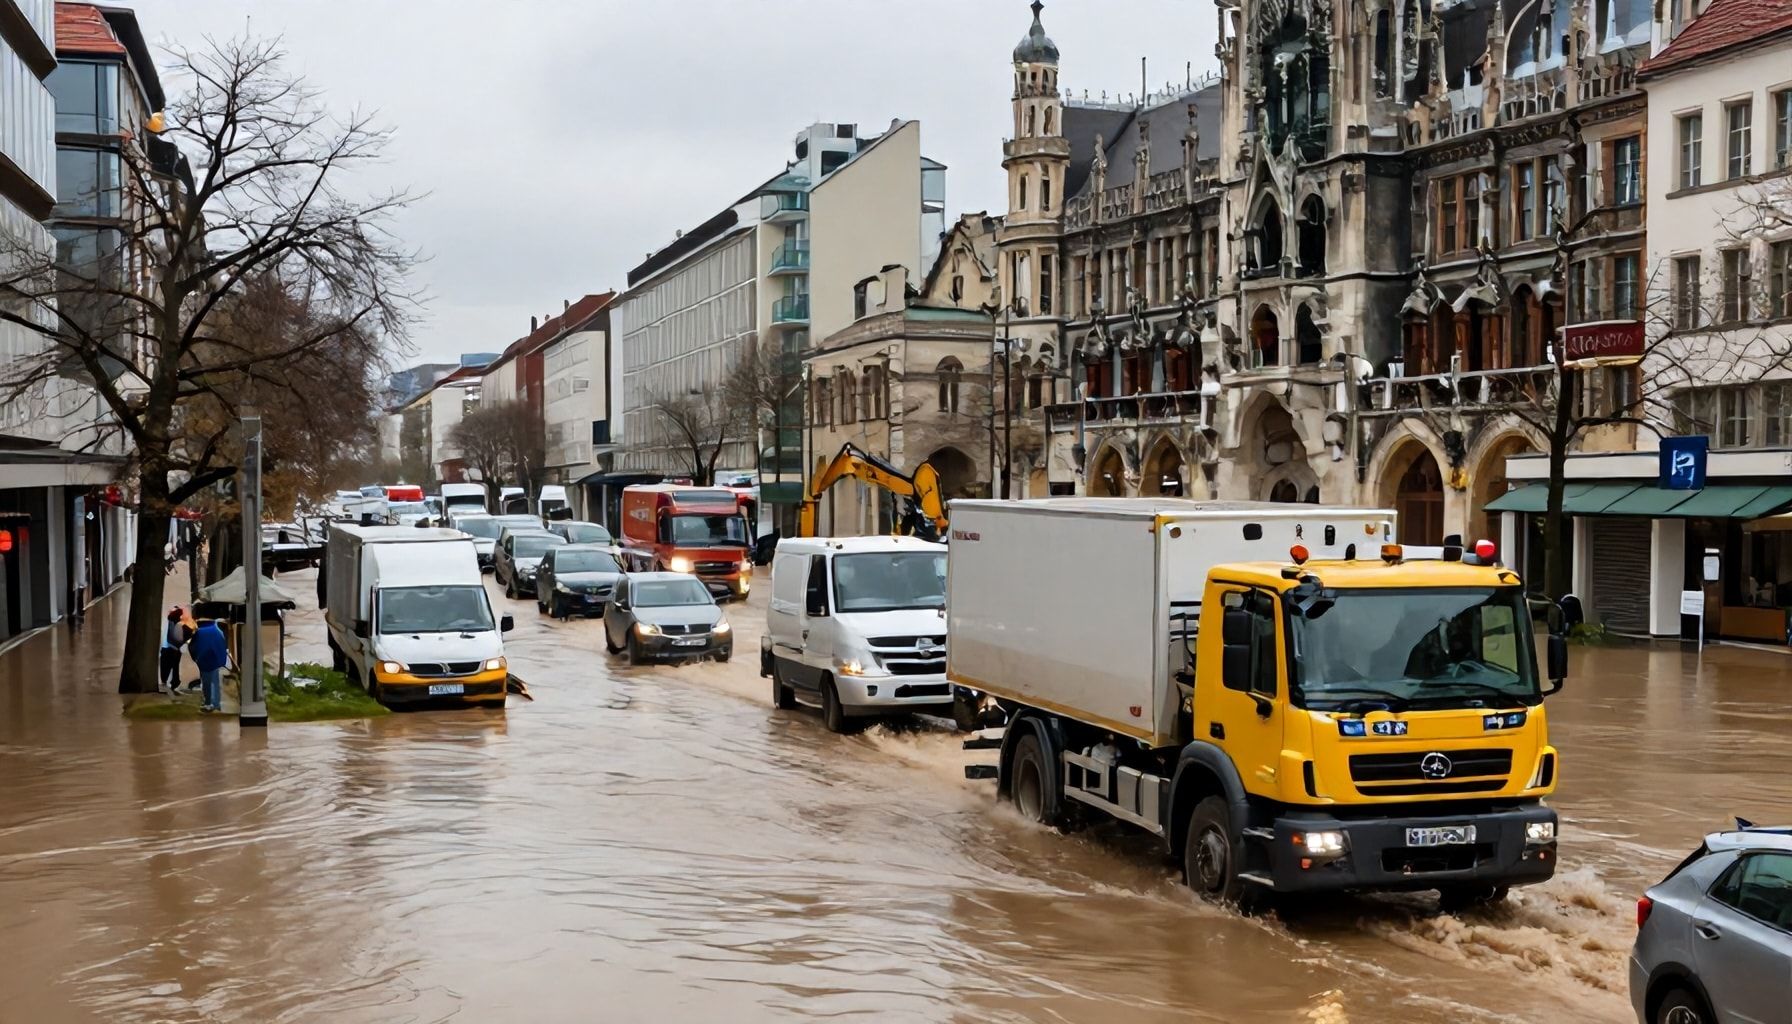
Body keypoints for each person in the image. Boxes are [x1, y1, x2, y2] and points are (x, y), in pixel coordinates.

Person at [189, 619, 229, 714]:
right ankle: (216, 704)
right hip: (215, 660)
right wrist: (221, 660)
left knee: (206, 683)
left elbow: (192, 646)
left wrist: (195, 658)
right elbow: (223, 645)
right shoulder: (217, 631)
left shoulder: (199, 633)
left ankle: (208, 703)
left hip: (204, 660)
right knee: (215, 682)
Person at [158, 607, 191, 694]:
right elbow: (179, 638)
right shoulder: (177, 624)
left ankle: (169, 683)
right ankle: (172, 683)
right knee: (173, 667)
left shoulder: (170, 623)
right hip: (174, 648)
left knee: (167, 667)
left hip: (168, 648)